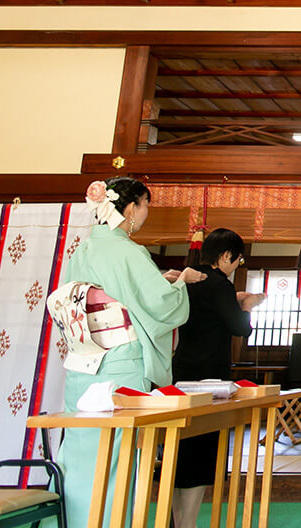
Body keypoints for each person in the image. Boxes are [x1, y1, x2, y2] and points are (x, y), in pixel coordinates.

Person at [53, 178, 205, 528]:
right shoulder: (129, 252)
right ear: (131, 208)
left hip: (83, 363)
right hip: (119, 365)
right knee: (117, 455)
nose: (147, 212)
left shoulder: (82, 251)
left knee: (80, 450)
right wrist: (180, 283)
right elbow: (161, 305)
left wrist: (160, 280)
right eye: (146, 204)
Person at [170, 228, 266, 528]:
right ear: (226, 256)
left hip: (180, 370)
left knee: (180, 448)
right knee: (201, 448)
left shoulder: (188, 280)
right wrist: (246, 307)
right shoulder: (219, 284)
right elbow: (239, 328)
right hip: (209, 376)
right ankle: (187, 523)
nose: (236, 265)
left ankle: (176, 520)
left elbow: (206, 312)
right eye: (237, 260)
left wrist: (232, 300)